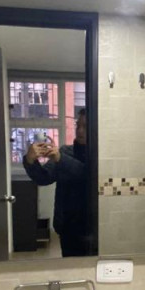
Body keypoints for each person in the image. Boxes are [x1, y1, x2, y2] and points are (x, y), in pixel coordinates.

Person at [23, 108, 90, 256]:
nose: (80, 131)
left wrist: (60, 159)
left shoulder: (99, 155)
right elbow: (43, 178)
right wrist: (30, 161)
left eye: (85, 127)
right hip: (67, 227)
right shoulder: (65, 151)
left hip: (93, 227)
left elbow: (86, 175)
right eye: (78, 125)